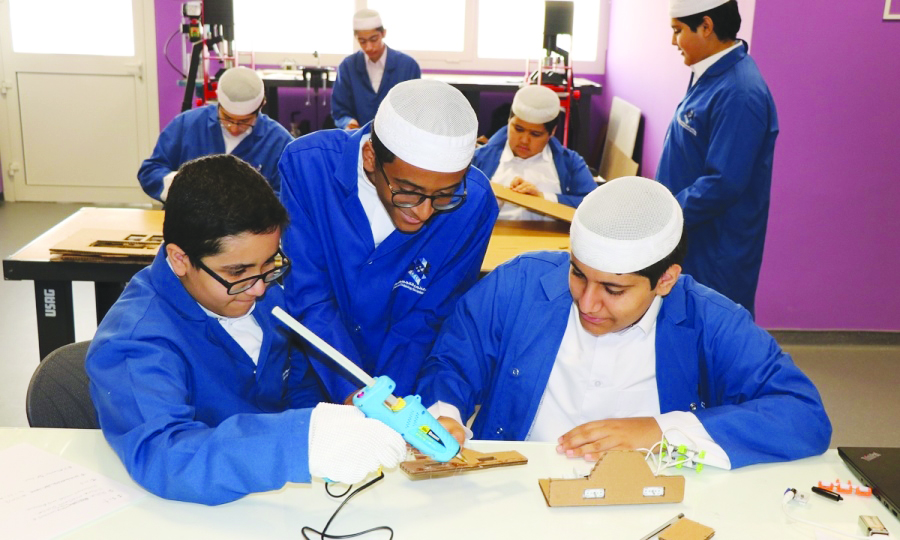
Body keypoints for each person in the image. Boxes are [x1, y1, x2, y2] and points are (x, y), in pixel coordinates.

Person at [417, 176, 830, 470]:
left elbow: (802, 415)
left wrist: (659, 432)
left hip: (648, 499)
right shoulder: (521, 282)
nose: (587, 301)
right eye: (578, 273)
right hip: (515, 486)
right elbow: (452, 361)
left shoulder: (710, 320)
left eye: (614, 290)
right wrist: (444, 413)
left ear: (665, 280)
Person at [87, 154, 407, 505]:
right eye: (238, 272)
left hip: (272, 501)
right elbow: (167, 457)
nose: (258, 289)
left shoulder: (268, 298)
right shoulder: (136, 341)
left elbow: (297, 387)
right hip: (189, 513)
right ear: (180, 260)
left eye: (270, 262)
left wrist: (333, 424)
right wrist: (303, 441)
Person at [279, 78, 499, 403]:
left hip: (405, 384)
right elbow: (310, 297)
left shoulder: (474, 204)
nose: (424, 212)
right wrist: (354, 392)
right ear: (370, 157)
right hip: (316, 374)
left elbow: (428, 317)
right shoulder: (308, 167)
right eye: (408, 192)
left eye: (444, 195)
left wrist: (387, 404)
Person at [656, 0, 778, 317]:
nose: (673, 42)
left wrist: (662, 216)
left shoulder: (740, 92)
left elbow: (723, 184)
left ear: (707, 27)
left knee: (711, 337)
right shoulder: (709, 73)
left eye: (678, 31)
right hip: (691, 236)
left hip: (716, 250)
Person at [137, 66, 292, 202]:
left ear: (261, 106)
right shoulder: (187, 125)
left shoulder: (279, 142)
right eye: (227, 119)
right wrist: (183, 186)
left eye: (244, 121)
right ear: (217, 104)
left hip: (249, 231)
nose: (234, 128)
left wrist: (249, 199)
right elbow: (150, 172)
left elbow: (291, 195)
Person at [473, 85, 596, 220]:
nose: (524, 140)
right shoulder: (479, 158)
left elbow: (595, 204)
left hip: (551, 238)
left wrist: (542, 198)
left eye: (536, 134)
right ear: (509, 121)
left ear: (552, 132)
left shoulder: (570, 162)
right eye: (518, 129)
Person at [331, 9, 421, 130]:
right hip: (359, 139)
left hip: (397, 140)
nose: (369, 47)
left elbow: (414, 109)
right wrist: (349, 123)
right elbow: (340, 110)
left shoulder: (408, 66)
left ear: (383, 33)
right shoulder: (347, 67)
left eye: (373, 39)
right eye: (362, 41)